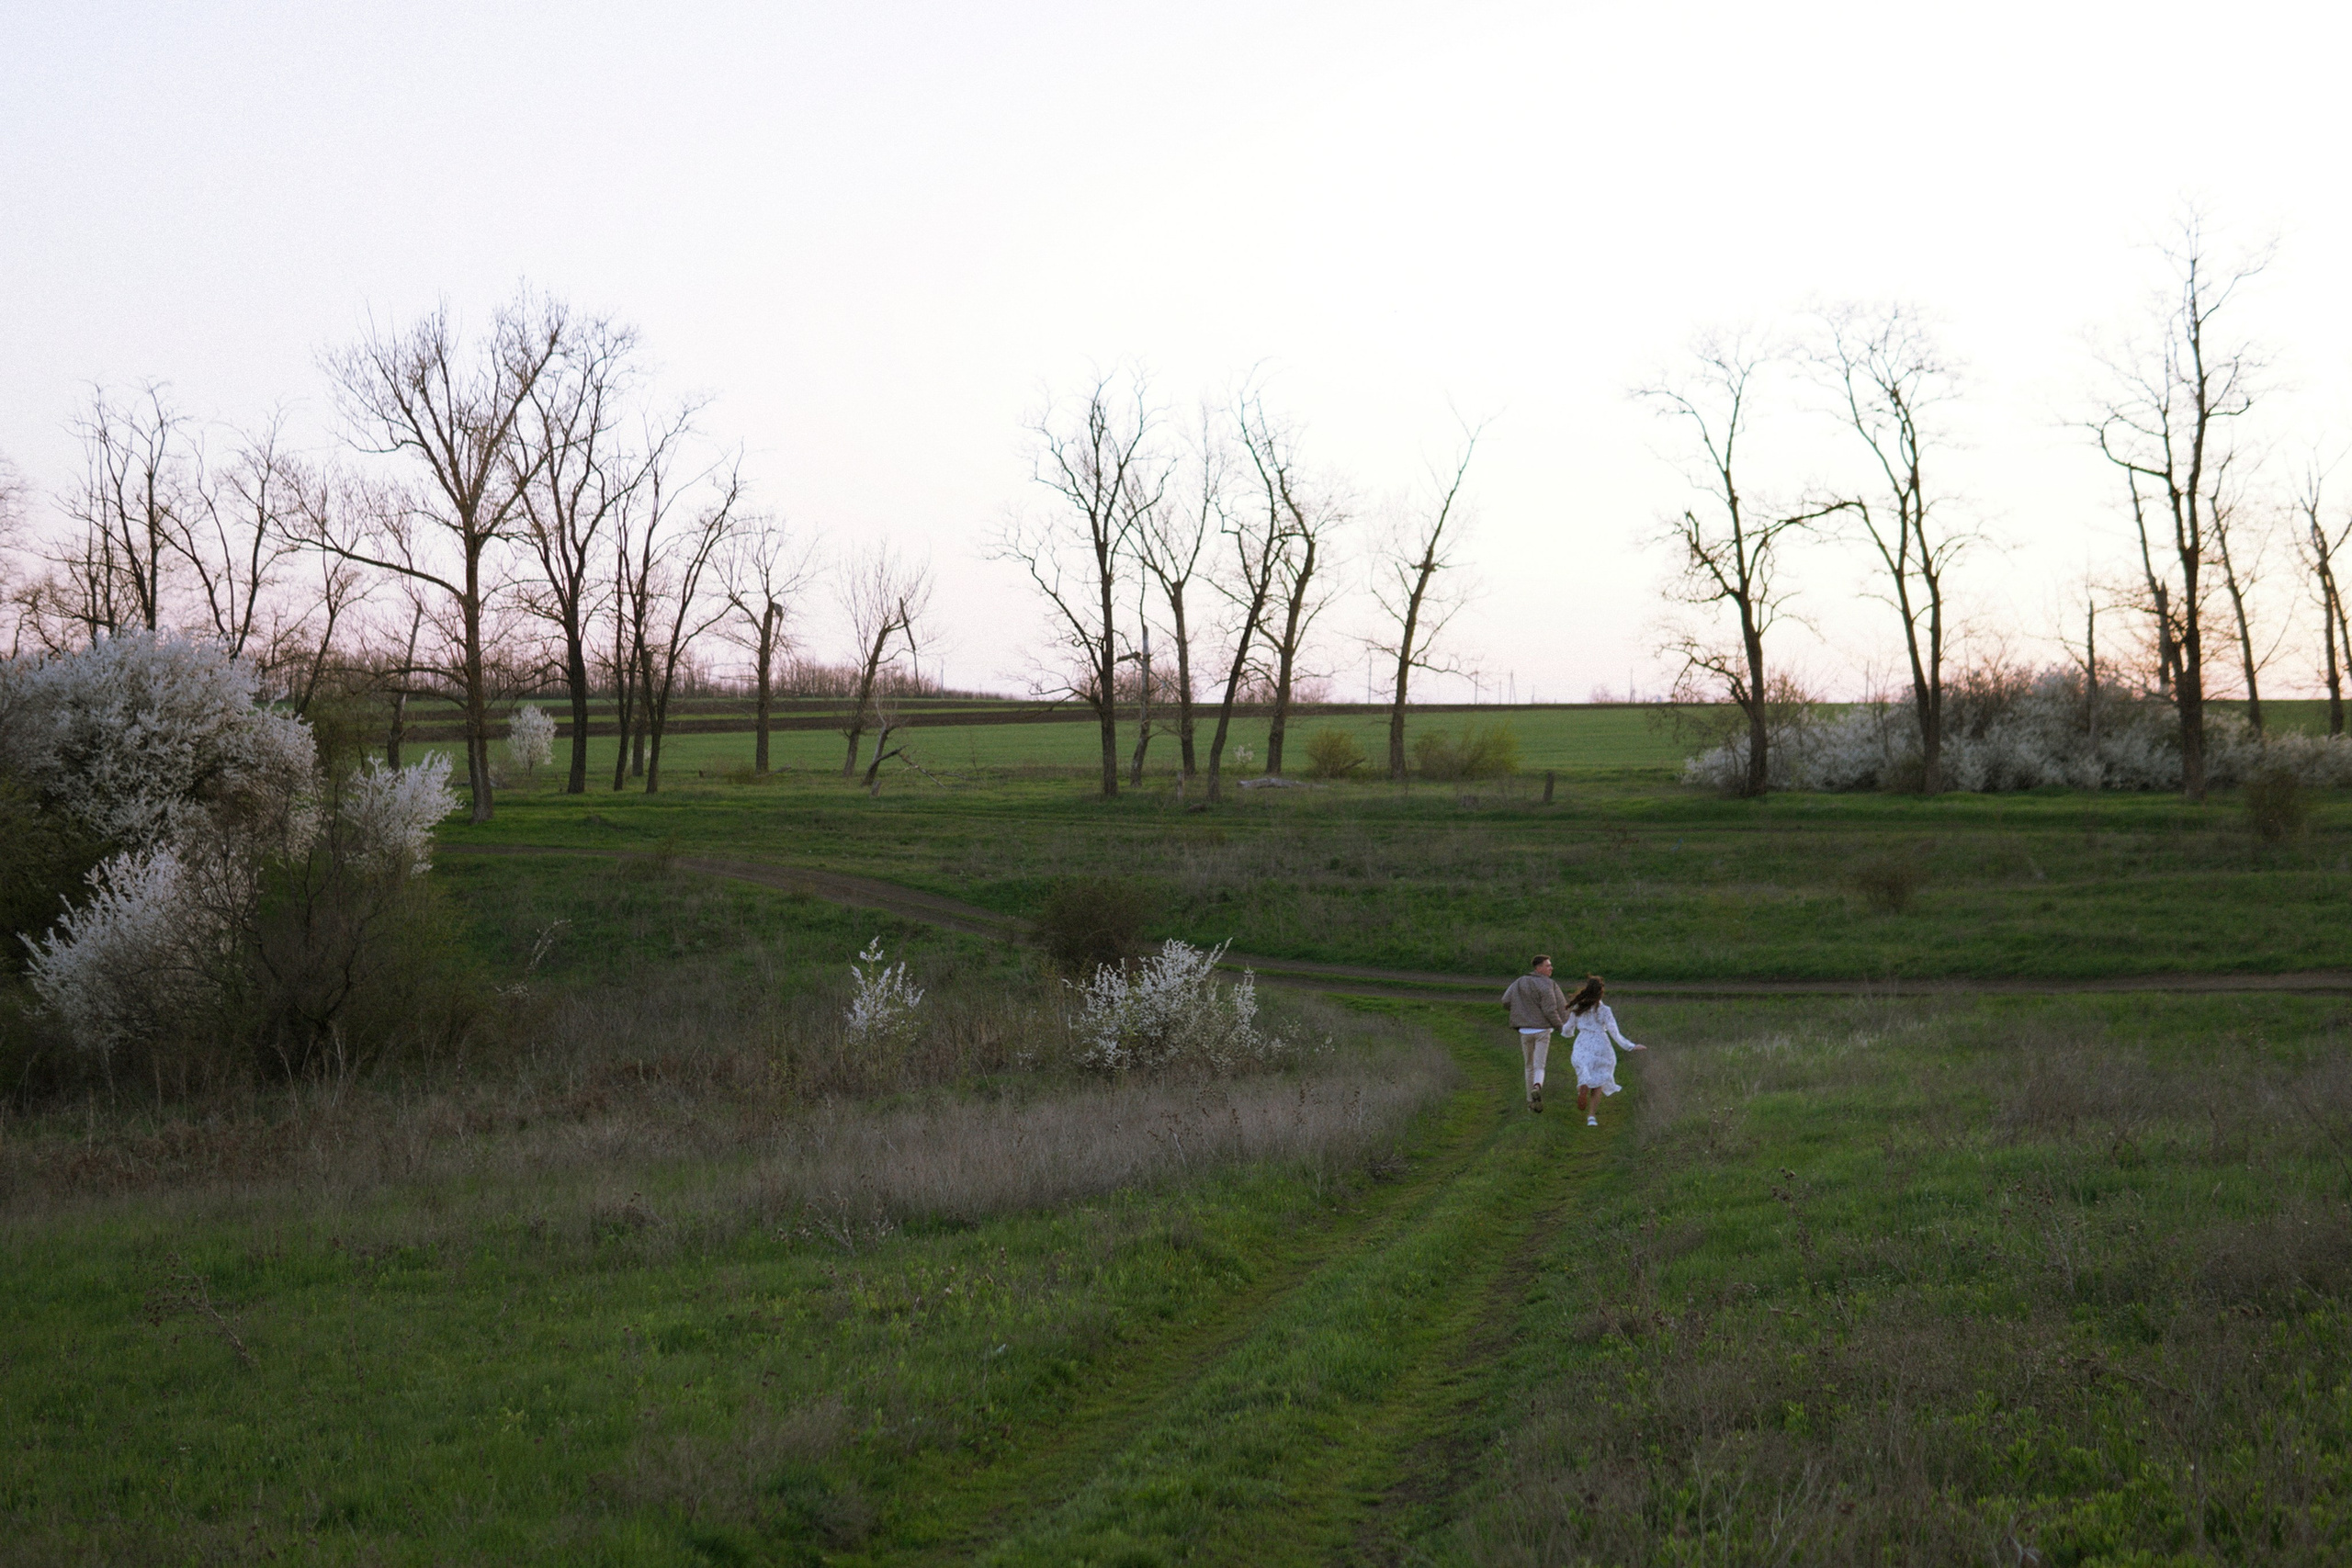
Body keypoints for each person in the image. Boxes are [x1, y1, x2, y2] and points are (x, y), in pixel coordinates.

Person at [1563, 974, 1645, 1126]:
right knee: (1599, 1080)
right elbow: (1615, 1033)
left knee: (1584, 1070)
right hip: (1601, 1045)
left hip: (1583, 1043)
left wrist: (1565, 1032)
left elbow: (1568, 1028)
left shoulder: (1578, 1008)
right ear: (1601, 992)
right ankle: (1592, 1117)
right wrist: (1631, 1046)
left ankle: (1583, 1086)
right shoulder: (1605, 1010)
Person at [1500, 954, 1570, 1111]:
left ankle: (1530, 1103)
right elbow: (1550, 1010)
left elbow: (1505, 1000)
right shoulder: (1547, 984)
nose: (1551, 968)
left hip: (1524, 1030)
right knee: (1539, 1066)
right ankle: (1537, 1086)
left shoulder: (1519, 981)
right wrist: (1561, 1027)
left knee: (1528, 1066)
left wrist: (1519, 1011)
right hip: (1542, 1031)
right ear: (1538, 968)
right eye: (1548, 966)